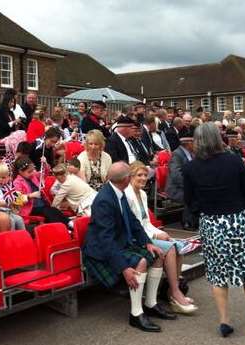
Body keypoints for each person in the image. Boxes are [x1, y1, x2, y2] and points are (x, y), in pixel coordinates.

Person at [183, 122, 245, 340]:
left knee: (218, 275)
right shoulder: (233, 161)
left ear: (198, 141)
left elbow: (189, 202)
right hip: (236, 221)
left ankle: (225, 321)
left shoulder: (191, 167)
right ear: (218, 138)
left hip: (210, 224)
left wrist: (206, 209)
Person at [84, 162, 174, 333]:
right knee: (140, 262)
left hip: (117, 243)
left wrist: (147, 242)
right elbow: (106, 240)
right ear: (126, 179)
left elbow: (133, 221)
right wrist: (124, 267)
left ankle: (151, 304)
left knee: (158, 254)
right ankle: (136, 314)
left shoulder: (118, 191)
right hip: (99, 252)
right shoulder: (104, 200)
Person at [125, 161, 198, 314]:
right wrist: (156, 234)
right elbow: (135, 225)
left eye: (145, 175)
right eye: (139, 175)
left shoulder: (143, 194)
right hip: (135, 238)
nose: (144, 178)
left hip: (146, 233)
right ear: (130, 176)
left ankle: (173, 290)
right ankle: (175, 292)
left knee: (178, 246)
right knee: (170, 248)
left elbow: (146, 222)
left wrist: (161, 233)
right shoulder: (128, 195)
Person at [13, 157, 69, 226]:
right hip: (31, 208)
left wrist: (45, 163)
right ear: (20, 171)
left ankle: (68, 224)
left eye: (33, 170)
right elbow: (18, 200)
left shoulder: (34, 176)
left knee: (54, 210)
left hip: (42, 205)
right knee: (49, 212)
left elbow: (45, 173)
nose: (32, 173)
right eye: (29, 172)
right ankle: (63, 226)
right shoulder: (16, 182)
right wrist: (30, 196)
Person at [166, 128, 197, 230]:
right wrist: (191, 185)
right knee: (193, 194)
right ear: (188, 143)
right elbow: (176, 175)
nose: (197, 144)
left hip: (187, 186)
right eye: (195, 142)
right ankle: (188, 222)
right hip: (176, 189)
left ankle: (197, 219)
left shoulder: (192, 154)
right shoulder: (177, 155)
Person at [0, 162, 26, 231]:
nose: (1, 180)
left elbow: (15, 198)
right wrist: (8, 203)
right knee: (11, 221)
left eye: (3, 177)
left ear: (8, 177)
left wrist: (20, 199)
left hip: (8, 212)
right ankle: (10, 238)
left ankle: (23, 237)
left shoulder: (8, 187)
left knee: (19, 219)